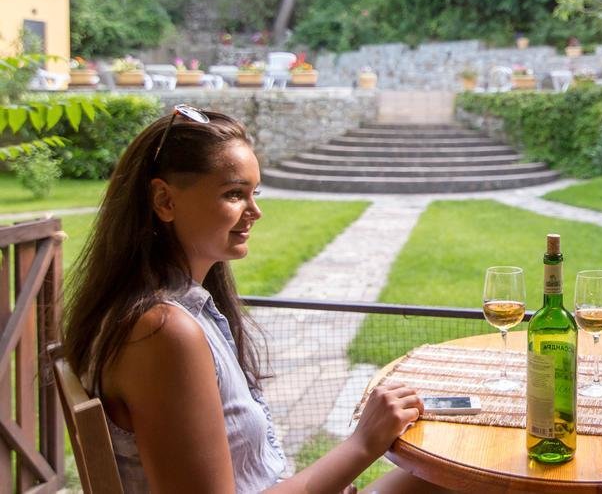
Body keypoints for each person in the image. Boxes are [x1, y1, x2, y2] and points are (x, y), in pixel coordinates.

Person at [62, 106, 442, 493]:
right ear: (165, 200)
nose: (255, 211)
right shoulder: (163, 332)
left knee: (453, 477)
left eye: (254, 193)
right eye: (234, 194)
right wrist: (363, 443)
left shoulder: (175, 311)